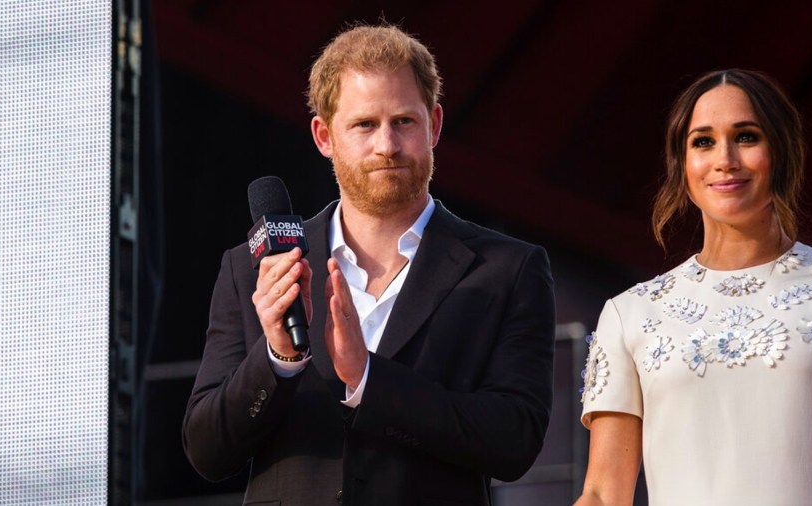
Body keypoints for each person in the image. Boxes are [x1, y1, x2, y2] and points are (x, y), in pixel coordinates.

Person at [182, 23, 556, 505]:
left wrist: (368, 380)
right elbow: (207, 451)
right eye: (364, 125)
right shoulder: (251, 270)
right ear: (324, 135)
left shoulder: (508, 268)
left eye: (404, 121)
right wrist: (278, 359)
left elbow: (515, 441)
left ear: (434, 125)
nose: (387, 146)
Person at [574, 69, 812, 505]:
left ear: (783, 152)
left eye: (747, 137)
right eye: (703, 141)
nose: (725, 159)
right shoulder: (630, 313)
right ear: (682, 165)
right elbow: (603, 494)